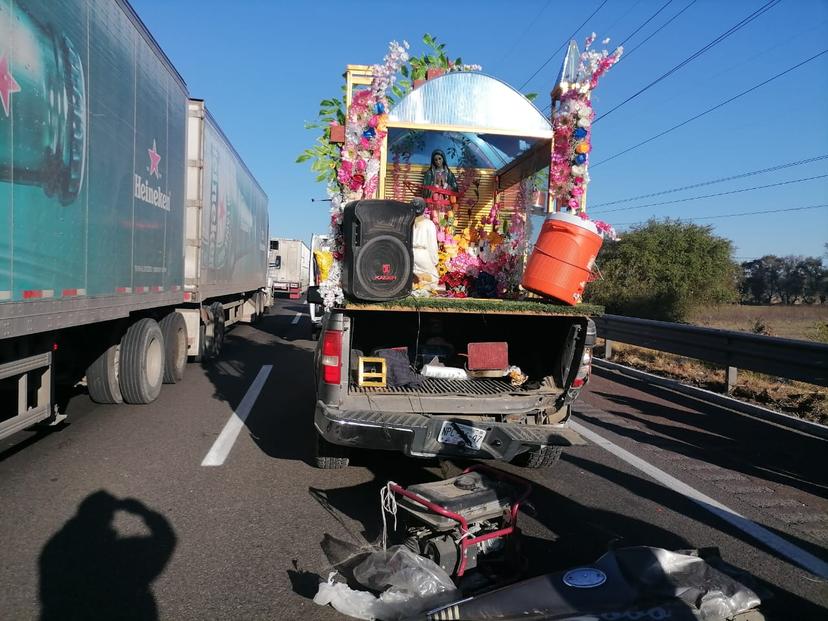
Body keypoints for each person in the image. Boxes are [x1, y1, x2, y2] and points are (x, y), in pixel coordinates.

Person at [411, 198, 439, 293]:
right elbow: (432, 245)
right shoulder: (429, 224)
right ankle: (422, 287)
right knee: (434, 277)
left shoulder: (408, 223)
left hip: (410, 253)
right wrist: (434, 260)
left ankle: (416, 285)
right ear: (424, 209)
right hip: (423, 254)